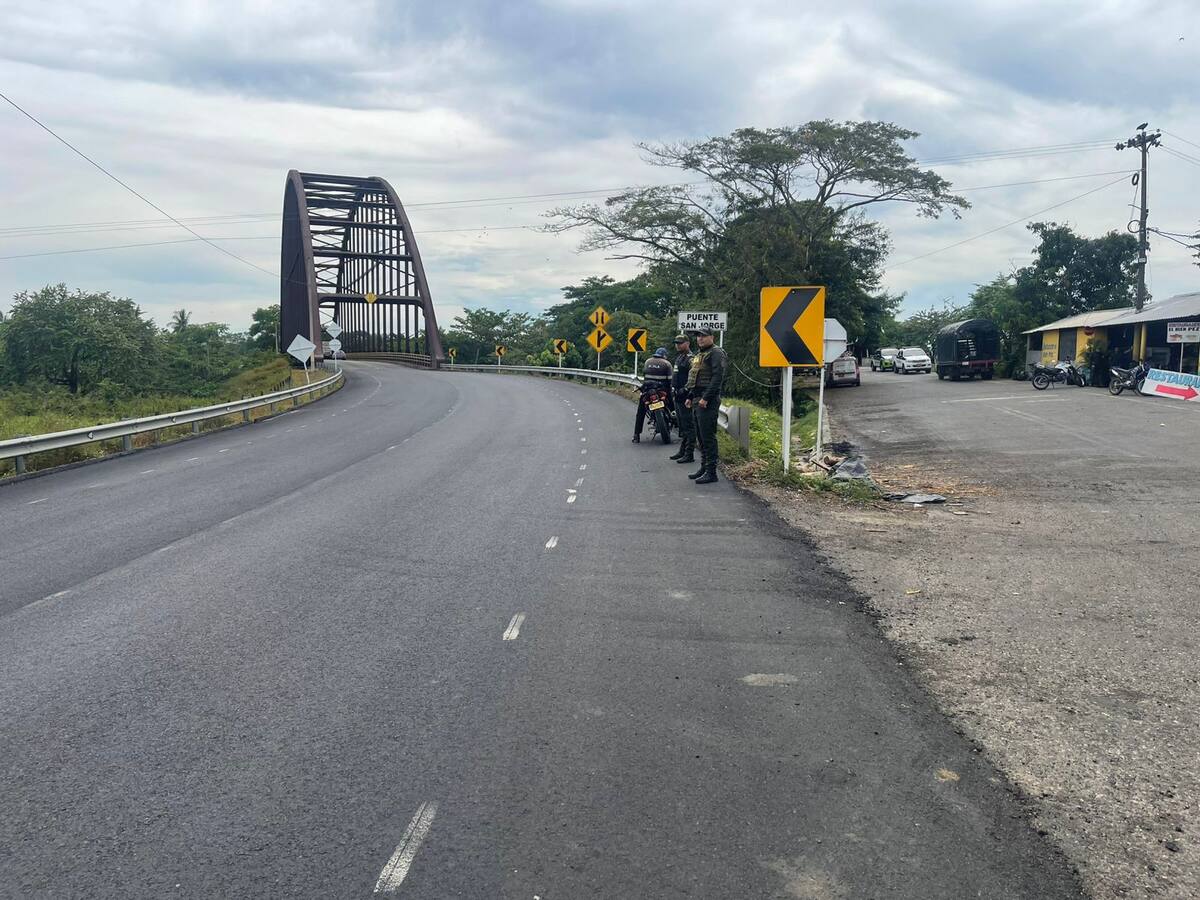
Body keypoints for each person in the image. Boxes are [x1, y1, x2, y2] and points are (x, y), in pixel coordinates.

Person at [686, 328, 727, 484]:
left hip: (707, 401)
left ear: (712, 337)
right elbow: (695, 377)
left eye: (703, 336)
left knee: (708, 437)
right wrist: (690, 396)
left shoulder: (716, 353)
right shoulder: (700, 354)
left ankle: (711, 472)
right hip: (697, 399)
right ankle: (703, 467)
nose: (700, 339)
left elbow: (717, 378)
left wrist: (706, 398)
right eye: (698, 336)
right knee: (701, 436)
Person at [633, 347, 674, 442]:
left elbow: (645, 376)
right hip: (662, 389)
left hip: (648, 389)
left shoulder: (648, 362)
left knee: (641, 412)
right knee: (672, 404)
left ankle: (636, 435)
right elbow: (670, 380)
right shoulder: (667, 364)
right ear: (664, 355)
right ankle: (675, 420)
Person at [668, 334, 695, 464]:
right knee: (682, 425)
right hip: (677, 396)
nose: (678, 345)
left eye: (680, 343)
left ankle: (689, 453)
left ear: (687, 343)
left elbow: (693, 378)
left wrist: (686, 391)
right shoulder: (679, 358)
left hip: (685, 397)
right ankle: (682, 451)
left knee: (688, 426)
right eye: (676, 343)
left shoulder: (691, 359)